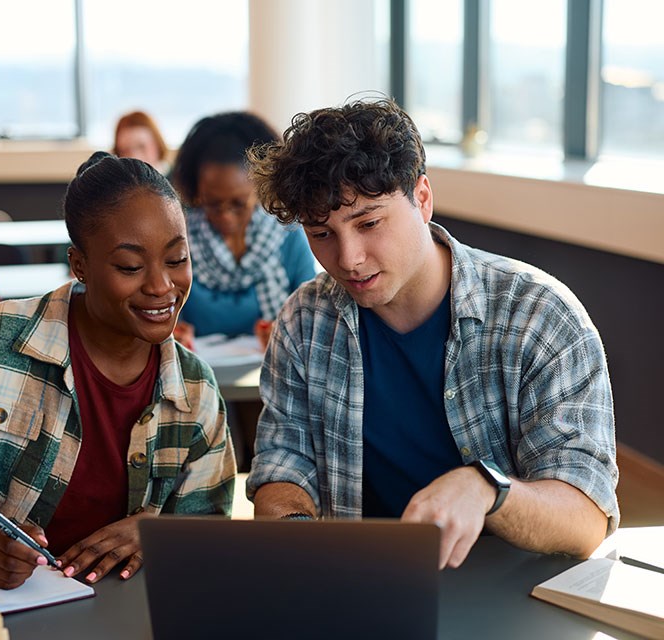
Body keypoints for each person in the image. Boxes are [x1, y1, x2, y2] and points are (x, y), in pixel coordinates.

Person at [245, 96, 618, 569]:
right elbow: (284, 463)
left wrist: (488, 490)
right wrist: (295, 535)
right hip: (364, 585)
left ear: (422, 198)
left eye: (369, 222)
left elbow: (586, 519)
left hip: (508, 592)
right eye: (321, 234)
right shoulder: (306, 319)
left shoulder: (540, 317)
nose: (348, 258)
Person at [0, 152, 236, 589]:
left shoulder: (194, 390)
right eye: (130, 267)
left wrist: (157, 534)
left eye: (177, 259)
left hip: (119, 610)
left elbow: (210, 531)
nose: (161, 286)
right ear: (79, 266)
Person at [171, 111, 315, 343]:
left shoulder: (288, 235)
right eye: (212, 204)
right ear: (196, 192)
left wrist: (287, 333)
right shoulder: (179, 241)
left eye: (239, 204)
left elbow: (311, 315)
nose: (226, 217)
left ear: (261, 190)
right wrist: (172, 334)